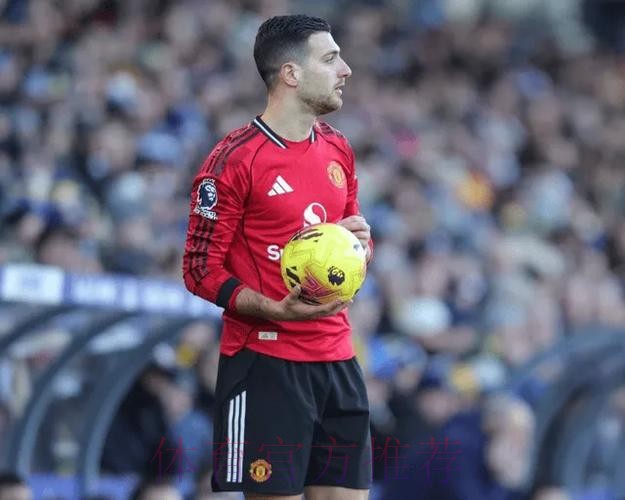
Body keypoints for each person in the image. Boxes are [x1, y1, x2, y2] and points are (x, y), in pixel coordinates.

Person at [183, 14, 372, 500]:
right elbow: (199, 269)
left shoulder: (338, 147)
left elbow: (353, 239)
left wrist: (360, 246)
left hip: (338, 359)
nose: (345, 70)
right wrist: (272, 307)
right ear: (291, 74)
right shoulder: (234, 160)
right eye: (330, 59)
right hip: (266, 363)